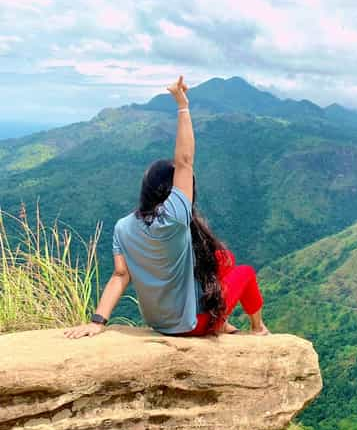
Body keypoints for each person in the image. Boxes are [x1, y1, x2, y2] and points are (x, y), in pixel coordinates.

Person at [64, 76, 269, 339]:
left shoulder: (123, 226)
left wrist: (97, 322)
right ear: (173, 191)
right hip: (191, 324)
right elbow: (184, 161)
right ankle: (258, 329)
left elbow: (120, 275)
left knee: (221, 260)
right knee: (246, 272)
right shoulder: (174, 216)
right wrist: (182, 106)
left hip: (159, 322)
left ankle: (222, 322)